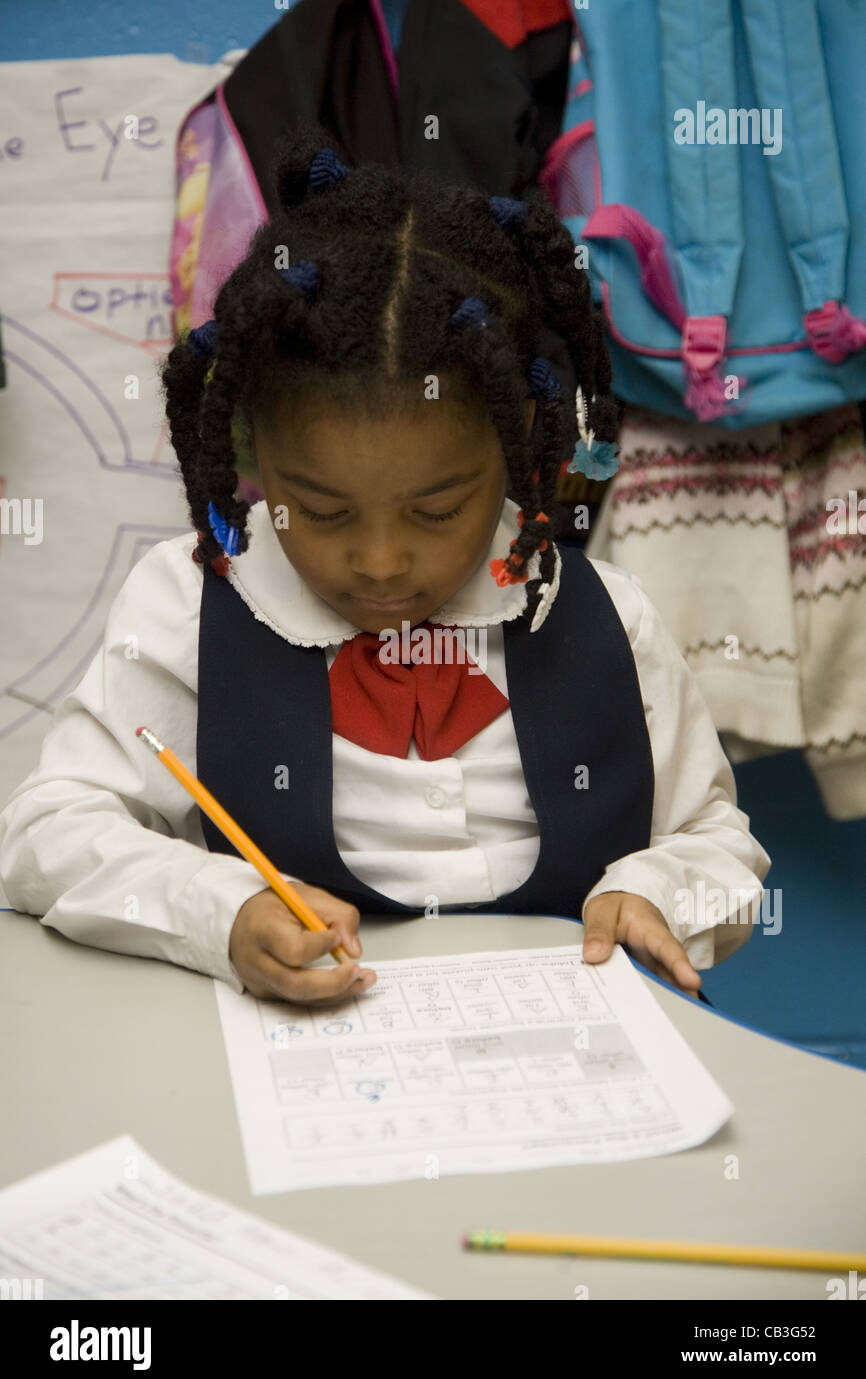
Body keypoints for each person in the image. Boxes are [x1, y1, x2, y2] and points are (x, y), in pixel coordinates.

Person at [0, 126, 770, 1007]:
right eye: (320, 511)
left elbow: (716, 837)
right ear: (258, 455)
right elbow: (45, 835)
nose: (378, 561)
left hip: (574, 1057)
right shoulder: (194, 601)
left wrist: (662, 892)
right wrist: (223, 912)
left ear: (521, 445)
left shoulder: (604, 618)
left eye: (437, 511)